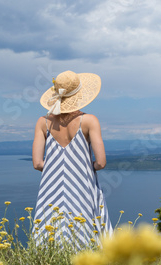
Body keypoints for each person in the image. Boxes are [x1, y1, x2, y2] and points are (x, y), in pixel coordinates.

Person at [32, 70, 113, 248]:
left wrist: (56, 167)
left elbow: (37, 163)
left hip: (50, 188)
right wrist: (81, 166)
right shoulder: (89, 121)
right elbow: (101, 162)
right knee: (87, 236)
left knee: (50, 236)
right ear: (79, 95)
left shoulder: (42, 122)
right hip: (82, 187)